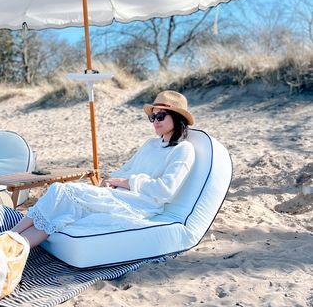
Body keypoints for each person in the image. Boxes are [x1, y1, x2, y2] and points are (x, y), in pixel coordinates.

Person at [11, 90, 196, 248]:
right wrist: (110, 181)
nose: (155, 121)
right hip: (119, 194)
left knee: (64, 191)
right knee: (60, 203)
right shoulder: (150, 144)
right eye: (152, 116)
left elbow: (166, 190)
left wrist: (125, 182)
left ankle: (11, 238)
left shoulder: (183, 150)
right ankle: (10, 244)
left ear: (177, 117)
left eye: (161, 116)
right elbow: (125, 169)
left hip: (139, 204)